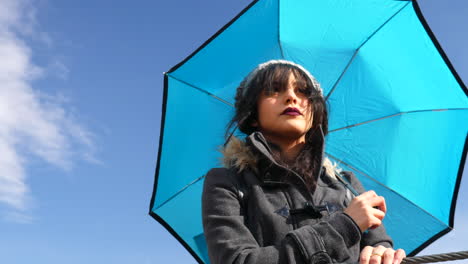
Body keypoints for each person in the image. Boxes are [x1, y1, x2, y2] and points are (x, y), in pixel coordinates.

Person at [202, 60, 406, 264]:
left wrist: (382, 253)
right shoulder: (227, 182)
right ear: (253, 115)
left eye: (303, 92)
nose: (292, 97)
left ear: (315, 113)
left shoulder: (346, 184)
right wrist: (344, 226)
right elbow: (237, 260)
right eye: (274, 90)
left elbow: (380, 245)